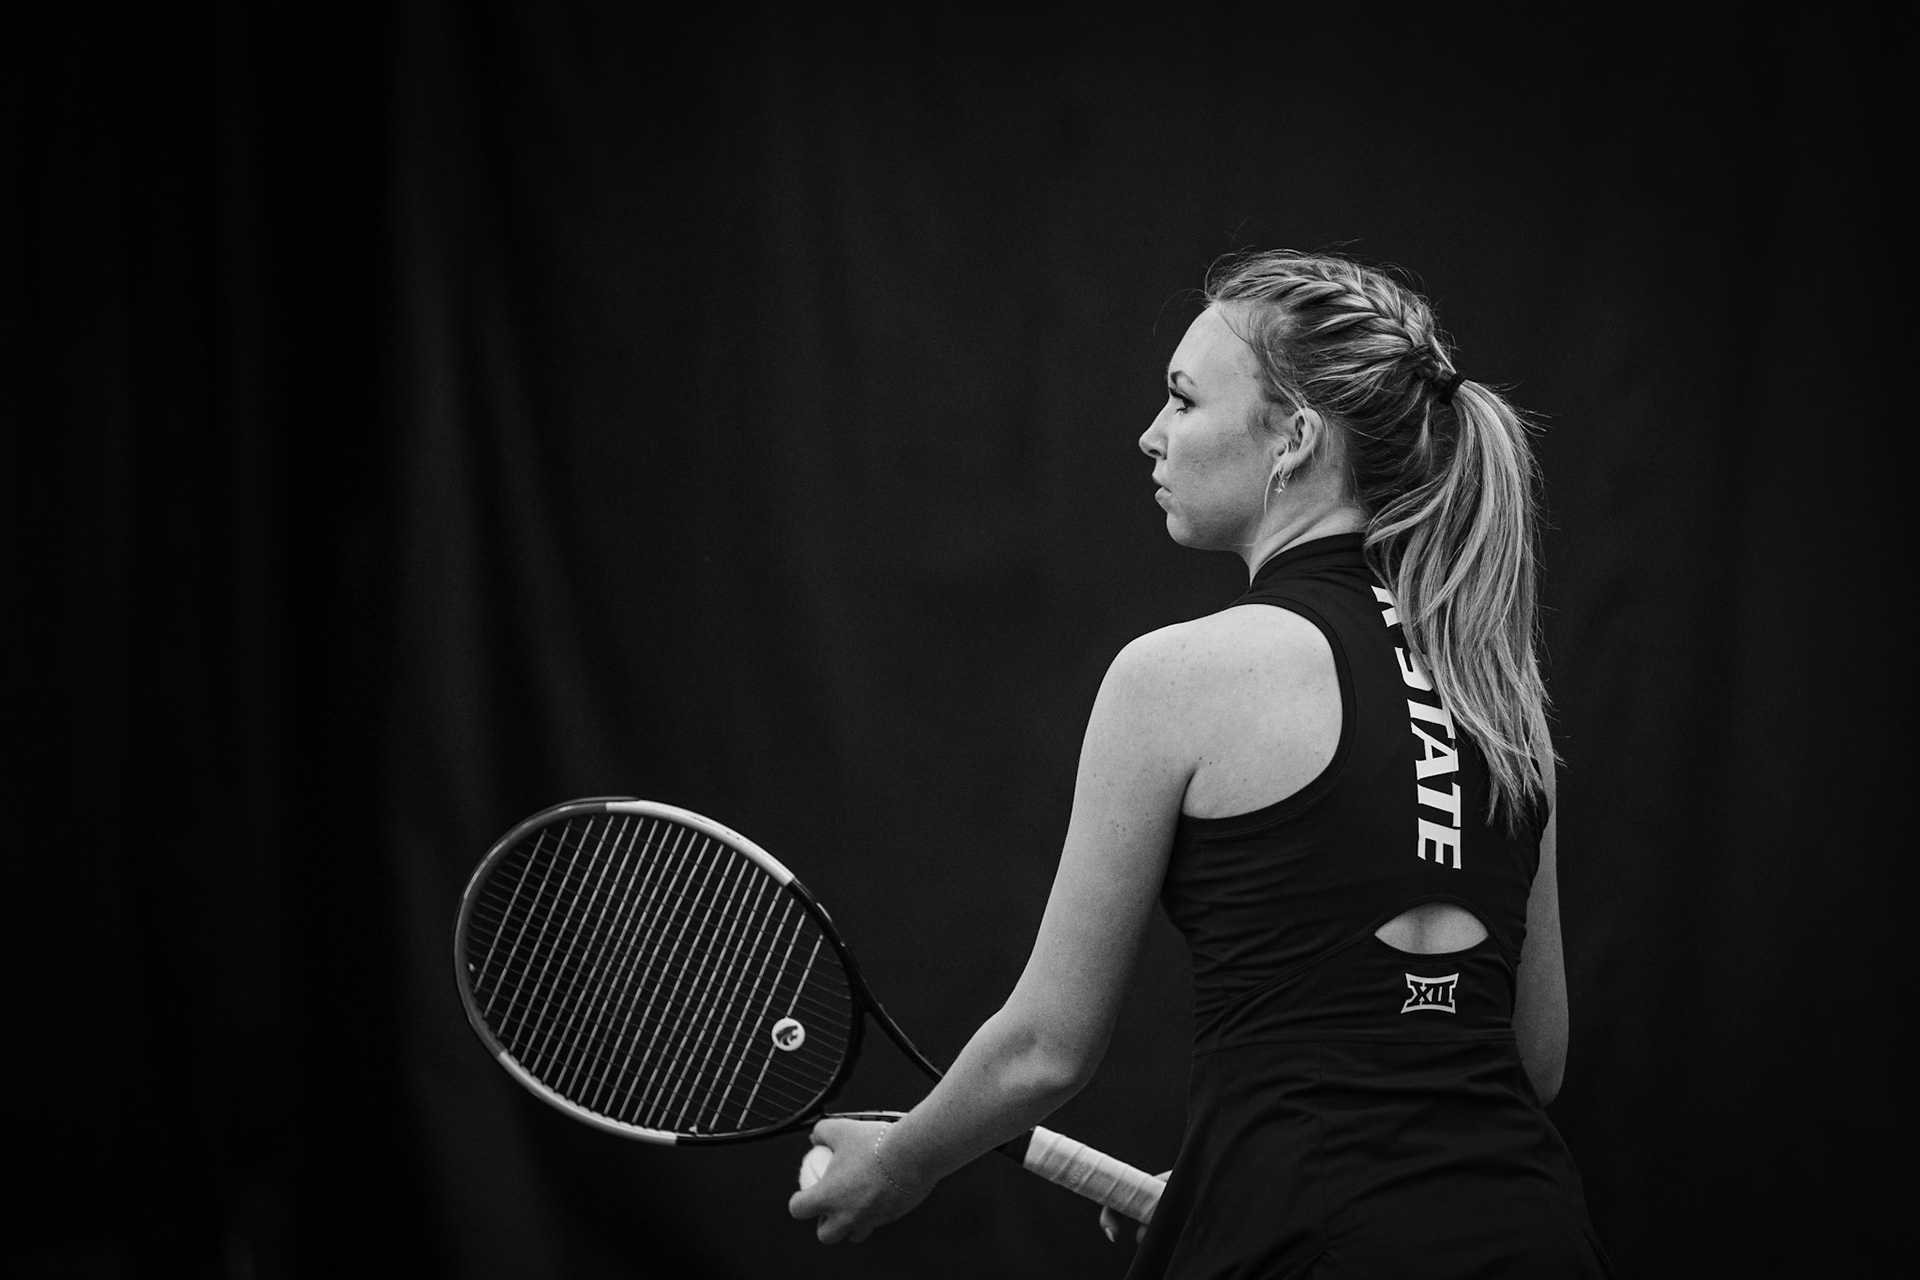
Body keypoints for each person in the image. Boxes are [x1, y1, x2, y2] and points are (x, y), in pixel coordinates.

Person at [788, 249, 1612, 1276]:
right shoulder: (1499, 691)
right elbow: (1530, 1060)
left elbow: (1046, 1048)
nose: (1152, 432)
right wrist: (1234, 1174)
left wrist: (898, 1162)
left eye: (1183, 398)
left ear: (1294, 438)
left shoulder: (1175, 676)